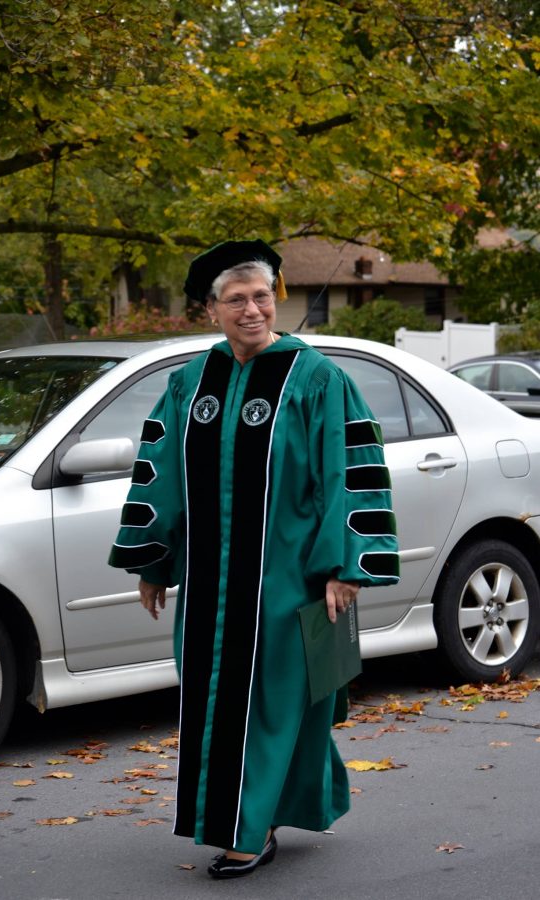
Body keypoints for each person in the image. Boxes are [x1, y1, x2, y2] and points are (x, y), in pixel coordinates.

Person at [109, 239, 399, 879]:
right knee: (221, 700)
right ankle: (279, 804)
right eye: (235, 300)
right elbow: (161, 473)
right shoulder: (190, 384)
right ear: (211, 309)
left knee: (268, 699)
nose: (251, 310)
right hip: (210, 587)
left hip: (286, 579)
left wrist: (346, 566)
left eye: (262, 297)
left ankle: (249, 830)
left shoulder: (316, 379)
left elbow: (349, 472)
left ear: (278, 300)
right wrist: (155, 559)